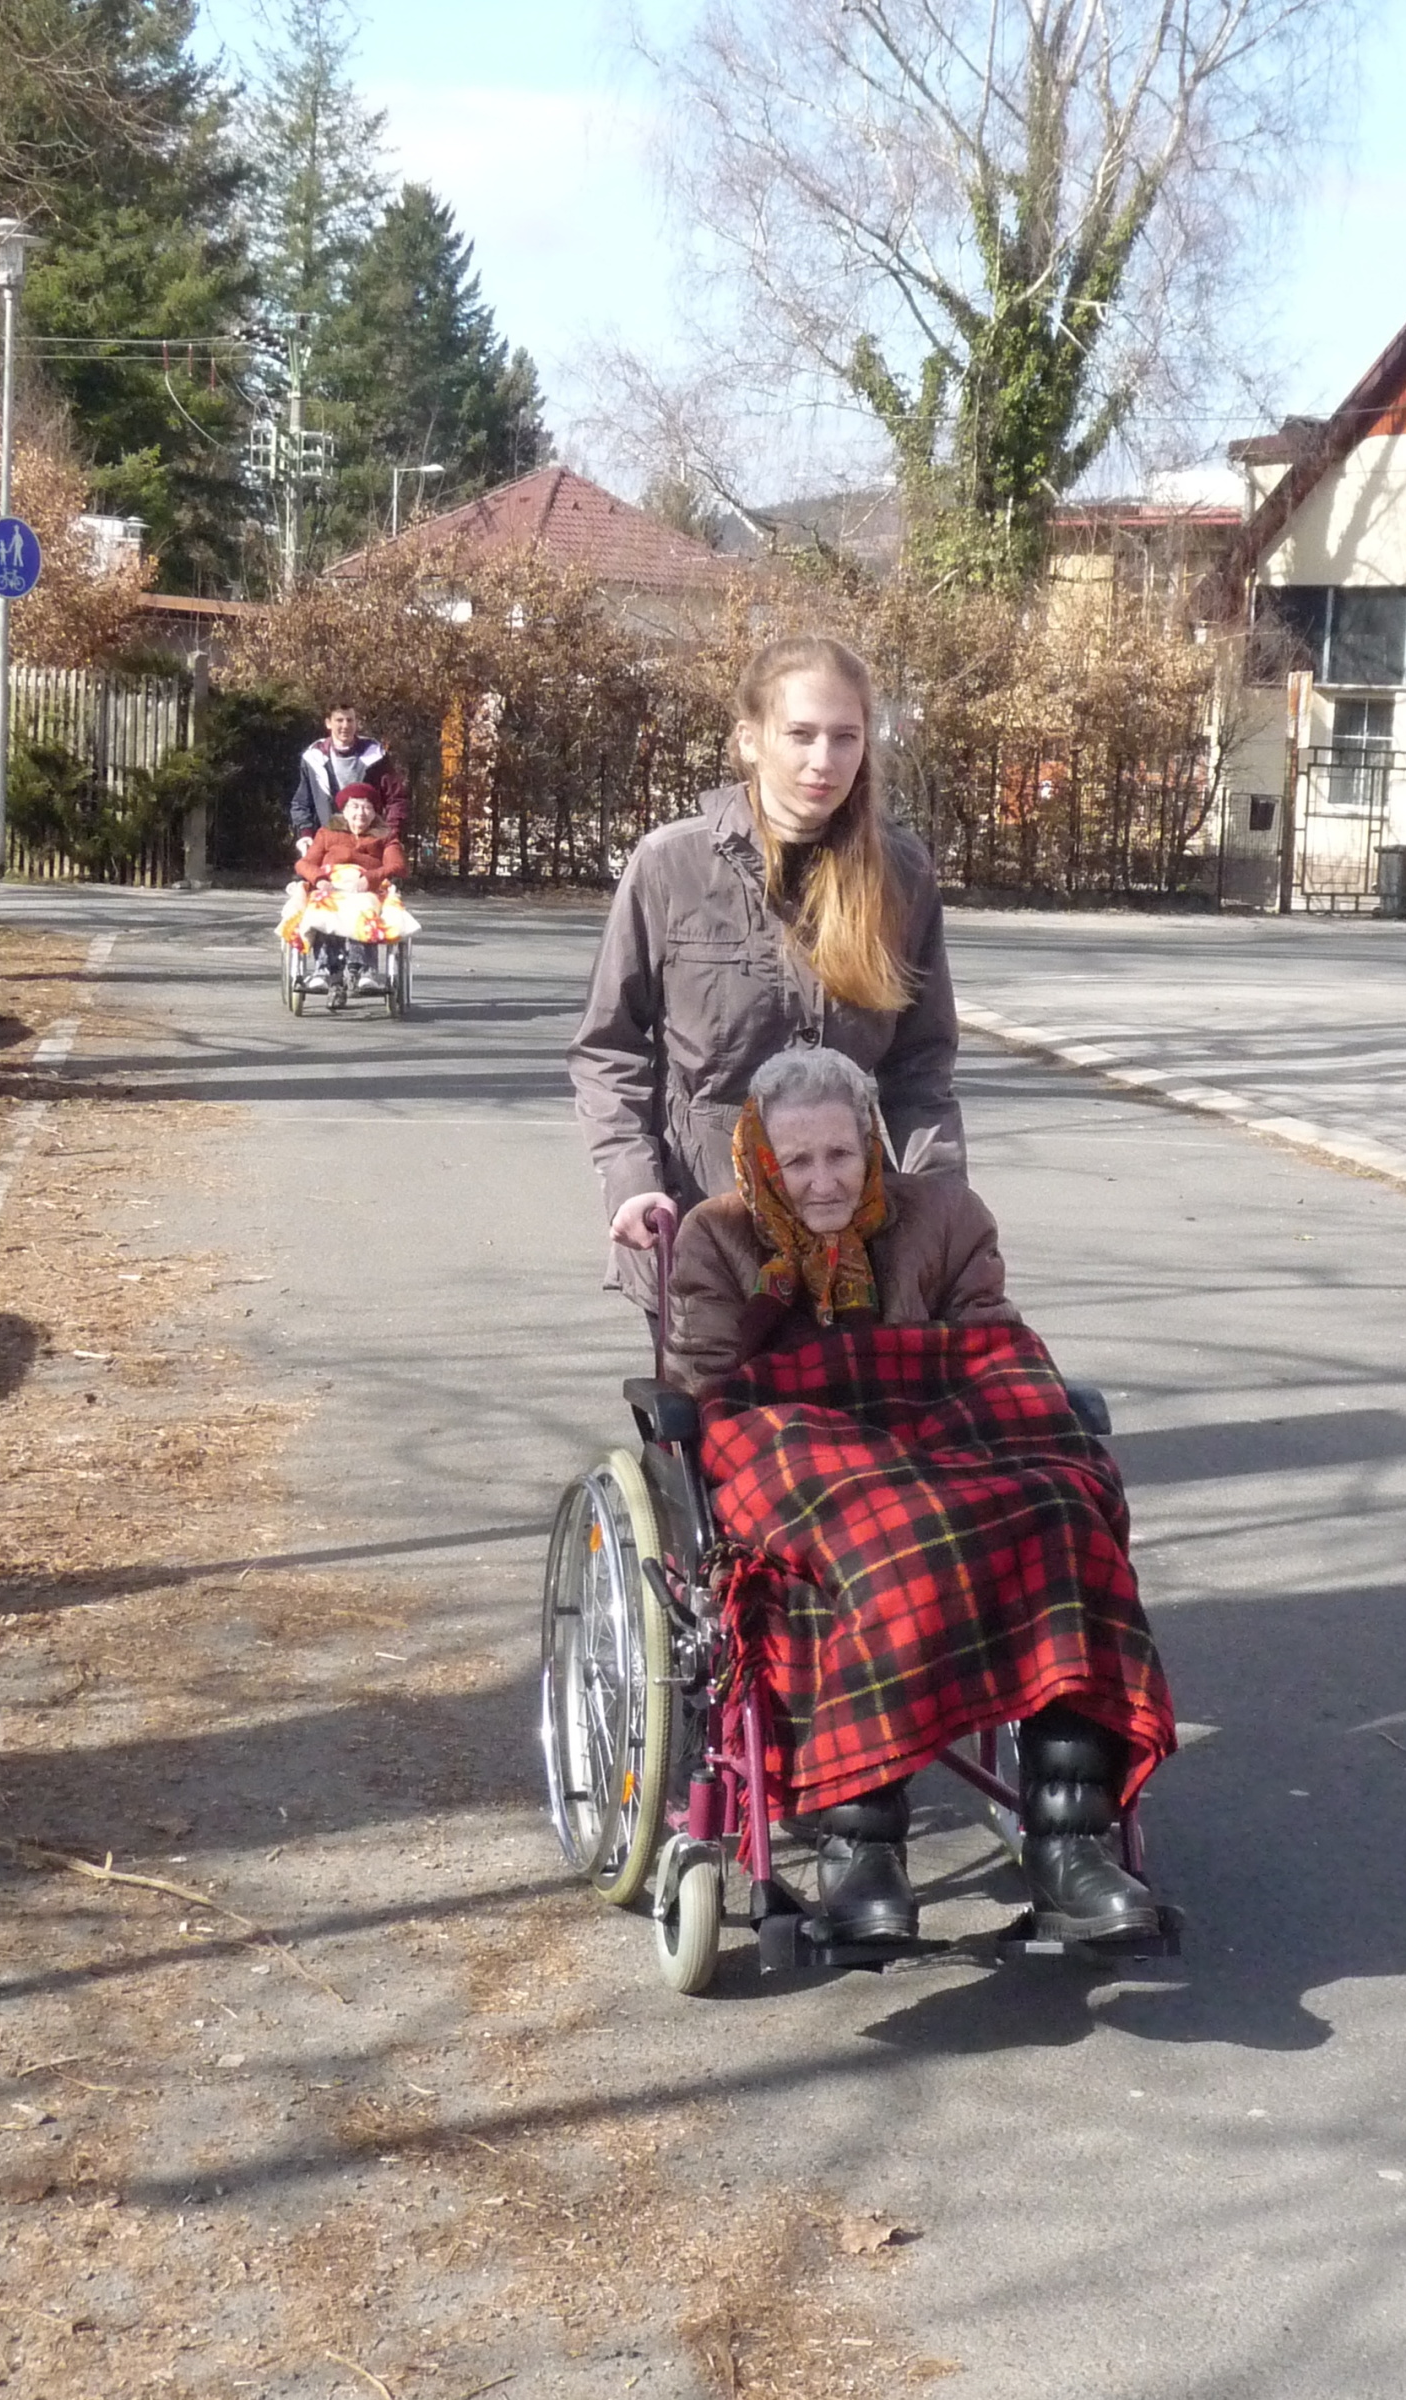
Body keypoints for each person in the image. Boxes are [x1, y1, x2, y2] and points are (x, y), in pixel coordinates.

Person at [666, 1047, 1178, 1950]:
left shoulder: (946, 1214)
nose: (824, 1181)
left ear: (872, 1145)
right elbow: (709, 1386)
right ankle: (861, 1852)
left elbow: (990, 1349)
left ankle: (1069, 1845)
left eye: (842, 1154)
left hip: (938, 1429)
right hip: (799, 1438)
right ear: (761, 1159)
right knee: (882, 1537)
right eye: (798, 1161)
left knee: (1061, 1515)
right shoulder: (718, 1234)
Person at [568, 633, 964, 1312]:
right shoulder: (670, 865)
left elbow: (922, 1067)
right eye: (800, 734)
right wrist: (632, 1181)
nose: (823, 760)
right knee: (724, 1388)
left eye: (845, 737)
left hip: (852, 1240)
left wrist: (940, 1203)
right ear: (749, 740)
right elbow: (609, 1047)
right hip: (704, 1228)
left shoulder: (901, 873)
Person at [282, 786, 418, 1010]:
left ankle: (364, 970)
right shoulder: (327, 833)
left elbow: (397, 865)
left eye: (367, 807)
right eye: (354, 806)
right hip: (331, 885)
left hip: (366, 888)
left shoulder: (385, 836)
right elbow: (304, 864)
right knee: (322, 908)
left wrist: (369, 878)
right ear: (344, 811)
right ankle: (325, 970)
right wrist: (319, 879)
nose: (360, 813)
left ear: (375, 812)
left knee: (362, 907)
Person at [290, 703, 409, 856]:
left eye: (350, 720)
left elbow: (397, 799)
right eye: (339, 720)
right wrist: (306, 834)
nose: (345, 726)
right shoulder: (313, 758)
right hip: (328, 845)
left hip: (369, 846)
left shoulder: (376, 756)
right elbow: (301, 803)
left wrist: (391, 834)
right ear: (328, 723)